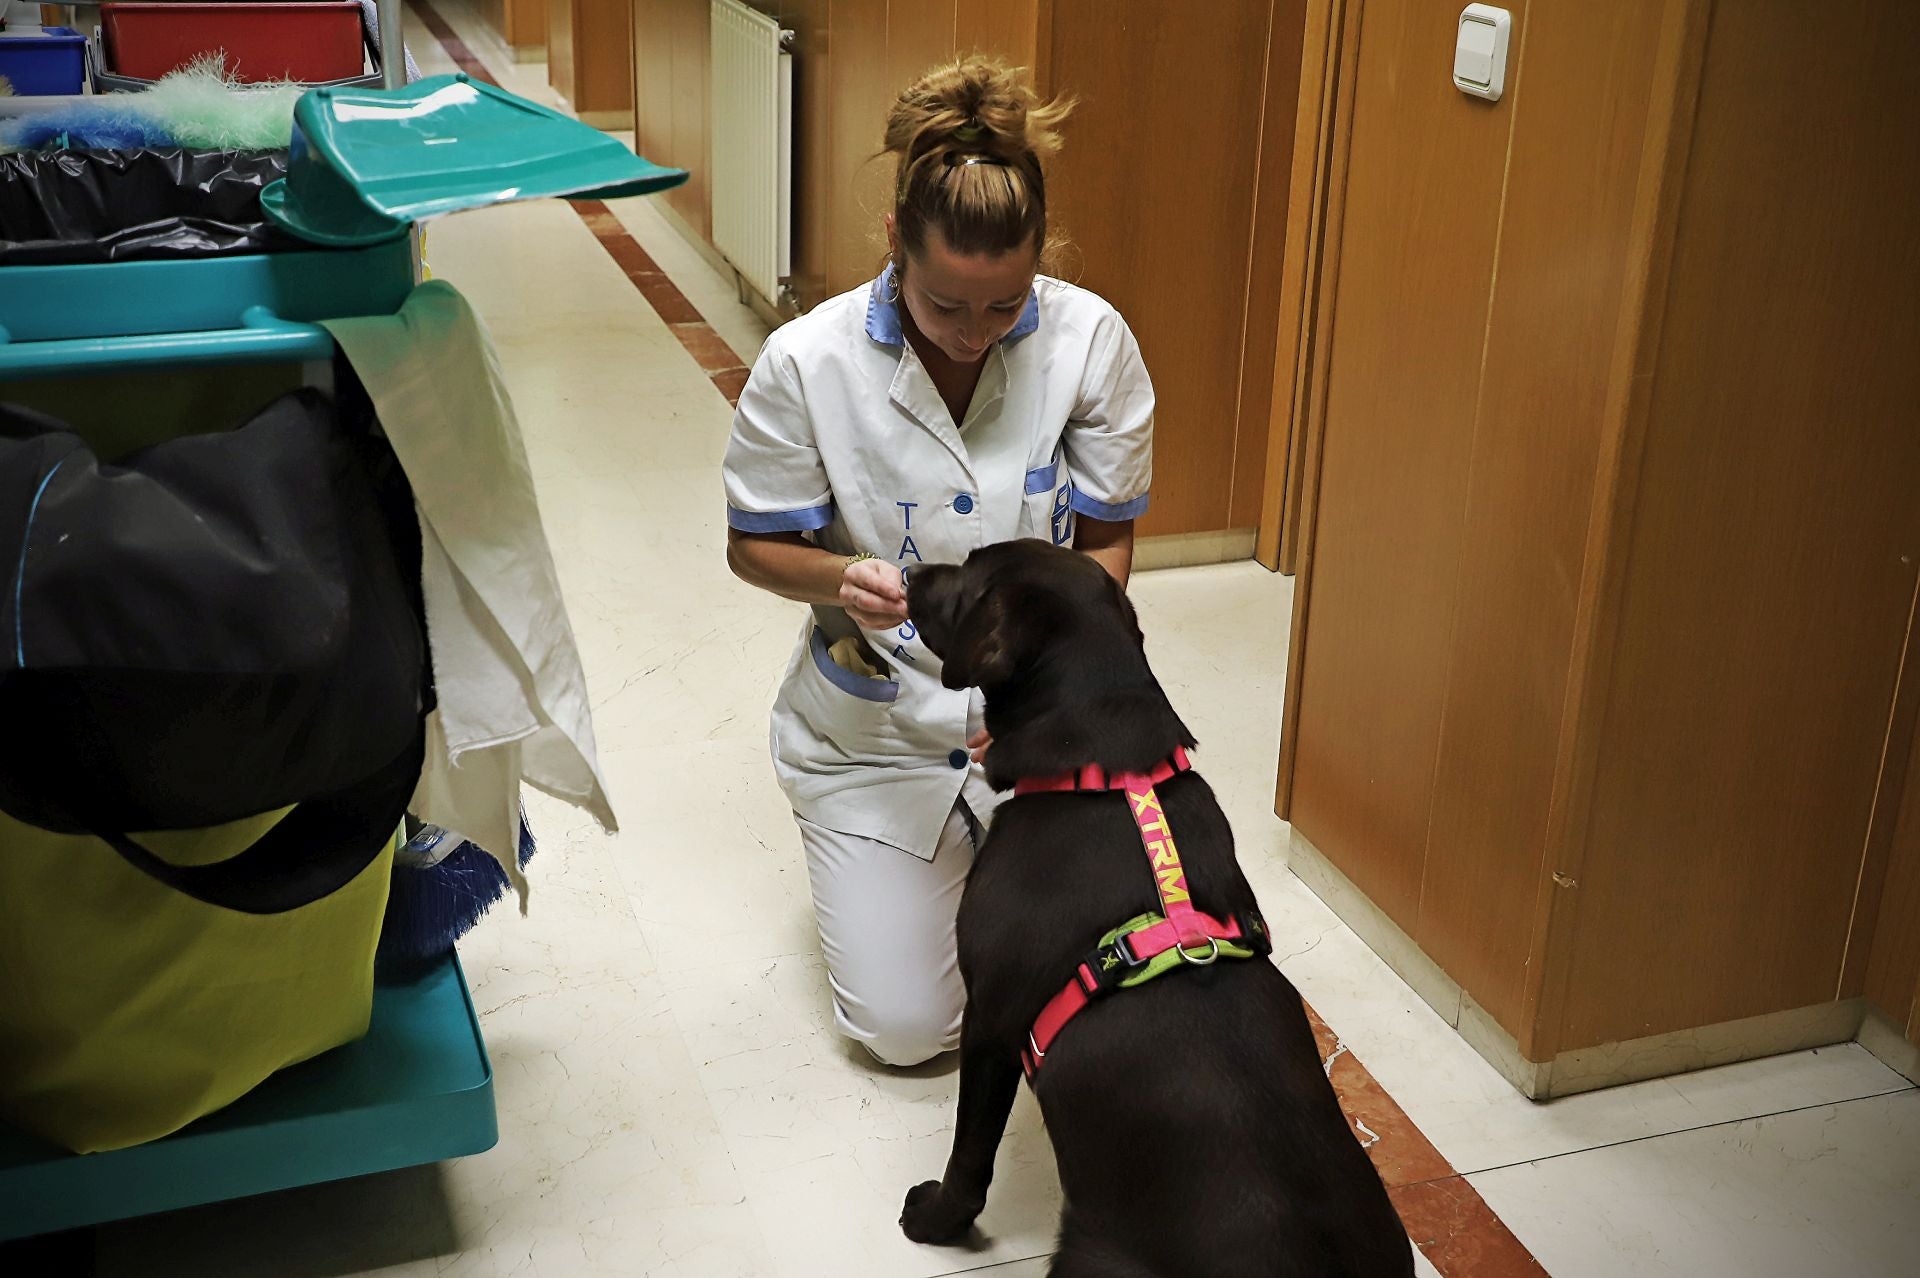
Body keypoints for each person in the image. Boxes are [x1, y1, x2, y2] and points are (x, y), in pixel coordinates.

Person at [721, 57, 1154, 1067]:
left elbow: (1105, 543)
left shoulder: (1094, 344)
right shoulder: (808, 361)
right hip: (879, 729)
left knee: (1115, 977)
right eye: (944, 304)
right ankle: (884, 862)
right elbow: (754, 545)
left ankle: (976, 858)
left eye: (1003, 307)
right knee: (912, 1033)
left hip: (1038, 720)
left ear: (1039, 259)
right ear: (893, 246)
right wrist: (840, 580)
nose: (972, 334)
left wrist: (1058, 678)